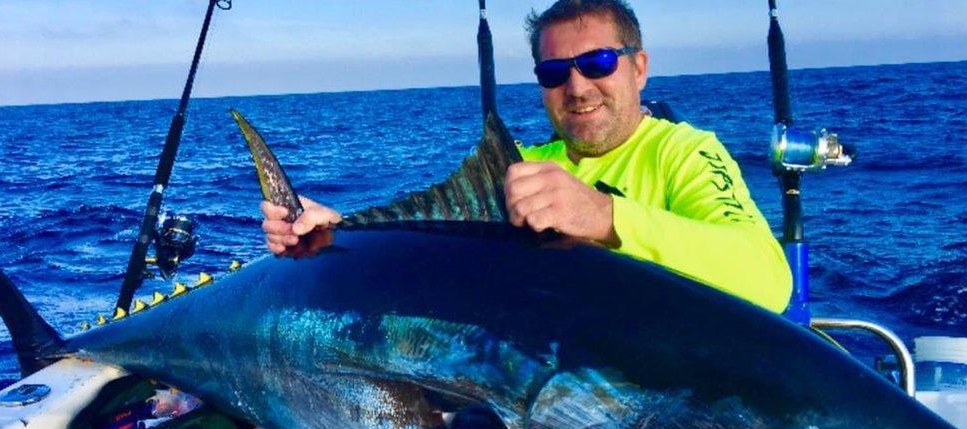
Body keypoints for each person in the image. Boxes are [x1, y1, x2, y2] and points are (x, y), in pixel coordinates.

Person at [263, 0, 791, 313]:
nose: (578, 87)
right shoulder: (521, 165)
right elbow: (428, 247)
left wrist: (607, 218)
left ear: (640, 68)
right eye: (554, 73)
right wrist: (333, 236)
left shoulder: (684, 151)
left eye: (599, 62)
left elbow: (768, 282)